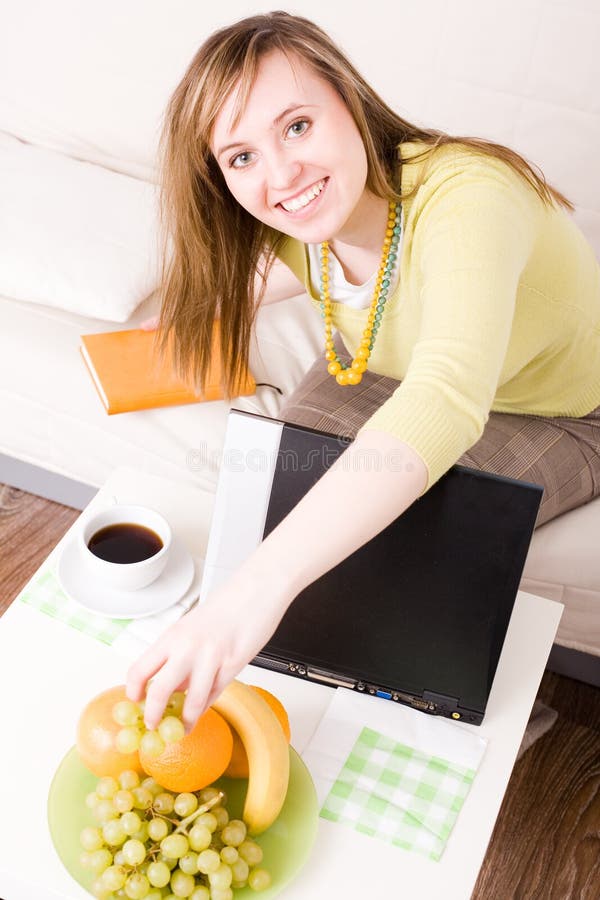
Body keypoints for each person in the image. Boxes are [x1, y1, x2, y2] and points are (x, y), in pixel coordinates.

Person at [127, 11, 600, 731]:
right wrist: (162, 325)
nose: (283, 174)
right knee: (288, 488)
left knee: (408, 522)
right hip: (391, 363)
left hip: (557, 409)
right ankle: (288, 685)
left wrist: (248, 596)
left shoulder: (469, 197)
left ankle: (445, 711)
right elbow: (237, 282)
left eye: (296, 126)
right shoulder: (299, 222)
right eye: (241, 156)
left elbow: (444, 398)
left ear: (349, 100)